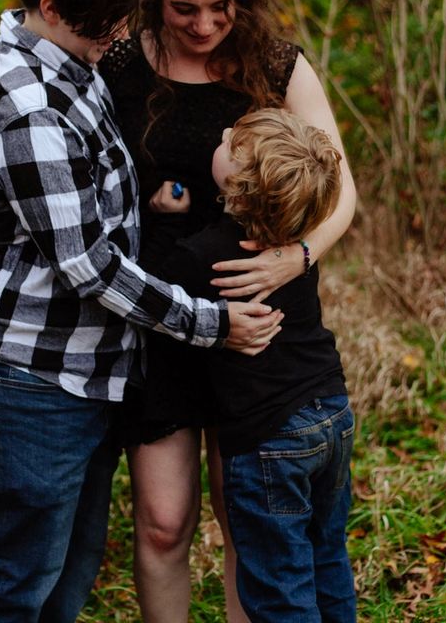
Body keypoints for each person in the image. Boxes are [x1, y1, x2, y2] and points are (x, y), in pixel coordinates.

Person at [0, 0, 281, 623]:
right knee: (12, 589)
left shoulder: (71, 61)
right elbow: (89, 267)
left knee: (63, 584)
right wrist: (213, 324)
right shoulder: (28, 103)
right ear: (49, 7)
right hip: (24, 378)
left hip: (82, 375)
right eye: (102, 28)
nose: (117, 40)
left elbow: (95, 187)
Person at [98, 0, 356, 622]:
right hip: (164, 316)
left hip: (259, 328)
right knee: (162, 519)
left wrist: (295, 257)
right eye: (185, 9)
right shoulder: (119, 62)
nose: (205, 24)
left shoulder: (276, 64)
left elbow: (341, 187)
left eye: (220, 7)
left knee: (251, 513)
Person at [143, 108, 356, 621]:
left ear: (237, 185)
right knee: (326, 556)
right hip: (331, 412)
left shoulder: (204, 258)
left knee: (280, 586)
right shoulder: (292, 245)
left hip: (270, 437)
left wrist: (164, 215)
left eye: (232, 142)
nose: (220, 133)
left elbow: (151, 299)